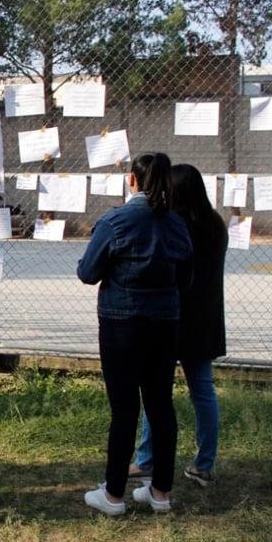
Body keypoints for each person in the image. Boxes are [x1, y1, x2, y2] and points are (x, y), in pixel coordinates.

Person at [77, 152, 193, 516]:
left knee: (124, 408)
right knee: (161, 405)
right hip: (165, 323)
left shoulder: (116, 221)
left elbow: (88, 272)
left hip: (121, 324)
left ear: (132, 180)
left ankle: (113, 495)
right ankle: (160, 492)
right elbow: (186, 279)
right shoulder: (177, 224)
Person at [130, 163, 228, 487]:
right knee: (203, 389)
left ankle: (146, 458)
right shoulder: (215, 225)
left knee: (156, 389)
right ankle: (205, 463)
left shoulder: (173, 225)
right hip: (206, 318)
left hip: (171, 316)